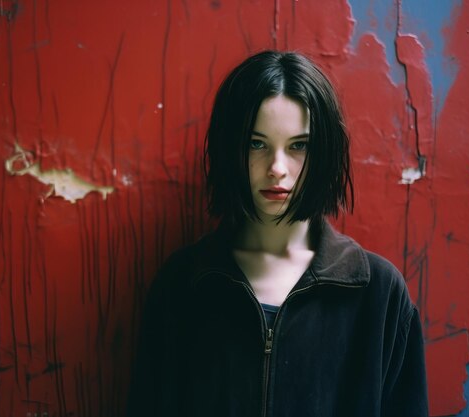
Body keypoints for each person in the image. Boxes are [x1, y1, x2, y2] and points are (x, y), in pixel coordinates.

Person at [126, 51, 428, 417]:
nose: (277, 168)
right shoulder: (181, 285)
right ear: (230, 149)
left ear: (325, 153)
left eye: (299, 146)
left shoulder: (379, 296)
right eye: (257, 144)